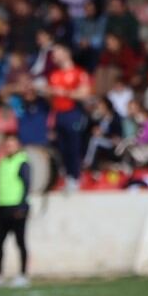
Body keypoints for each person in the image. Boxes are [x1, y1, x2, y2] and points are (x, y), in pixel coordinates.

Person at [45, 44, 91, 190]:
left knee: (74, 146)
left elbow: (85, 93)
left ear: (66, 53)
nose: (54, 56)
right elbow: (51, 98)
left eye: (57, 52)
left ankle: (76, 177)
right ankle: (67, 176)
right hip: (59, 114)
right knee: (61, 147)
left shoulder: (79, 73)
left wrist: (64, 92)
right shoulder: (54, 75)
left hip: (73, 112)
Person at [0, 134, 31, 288]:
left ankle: (23, 274)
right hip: (2, 206)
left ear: (18, 146)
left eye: (12, 145)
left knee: (20, 241)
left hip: (17, 207)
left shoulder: (22, 162)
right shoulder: (2, 162)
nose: (9, 148)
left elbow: (27, 185)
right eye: (7, 145)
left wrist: (22, 206)